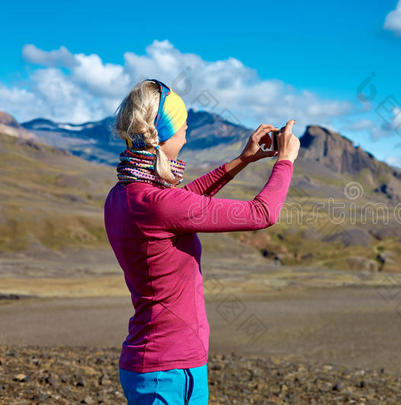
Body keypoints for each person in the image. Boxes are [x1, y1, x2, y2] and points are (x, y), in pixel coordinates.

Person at [104, 78, 299, 404]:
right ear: (161, 134)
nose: (187, 129)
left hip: (165, 366)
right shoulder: (156, 203)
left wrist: (243, 160)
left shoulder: (123, 194)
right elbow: (262, 213)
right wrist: (285, 161)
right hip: (166, 372)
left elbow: (181, 203)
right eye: (182, 125)